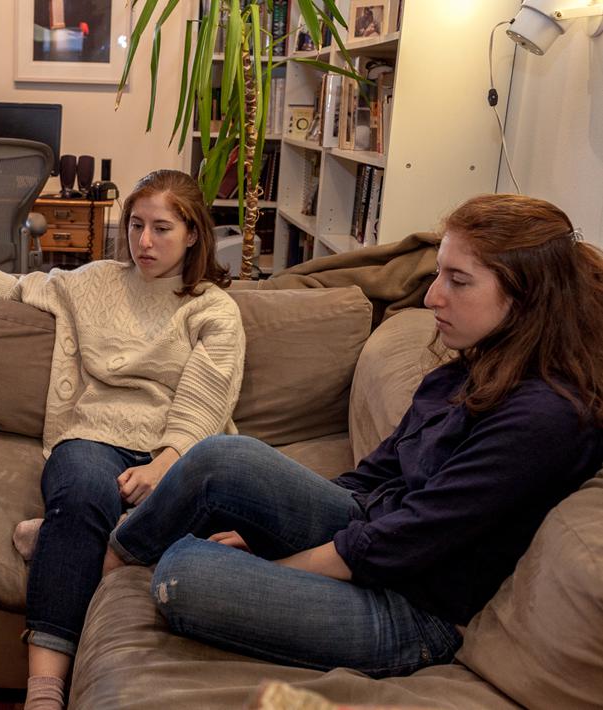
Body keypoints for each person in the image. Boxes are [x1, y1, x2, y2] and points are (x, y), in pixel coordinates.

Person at [103, 193, 603, 678]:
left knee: (183, 573)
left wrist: (277, 561)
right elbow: (376, 475)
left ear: (525, 297)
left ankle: (115, 549)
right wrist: (272, 533)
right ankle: (114, 550)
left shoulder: (545, 418)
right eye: (437, 275)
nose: (432, 298)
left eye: (459, 281)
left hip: (414, 610)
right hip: (375, 535)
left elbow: (411, 538)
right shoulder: (472, 366)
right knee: (222, 456)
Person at [0, 169, 246, 710]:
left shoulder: (213, 307)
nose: (144, 242)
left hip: (178, 449)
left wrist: (165, 463)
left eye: (161, 228)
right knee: (82, 495)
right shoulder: (96, 281)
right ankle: (43, 689)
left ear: (193, 233)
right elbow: (14, 286)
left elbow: (206, 395)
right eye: (135, 225)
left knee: (232, 532)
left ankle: (72, 539)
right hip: (94, 437)